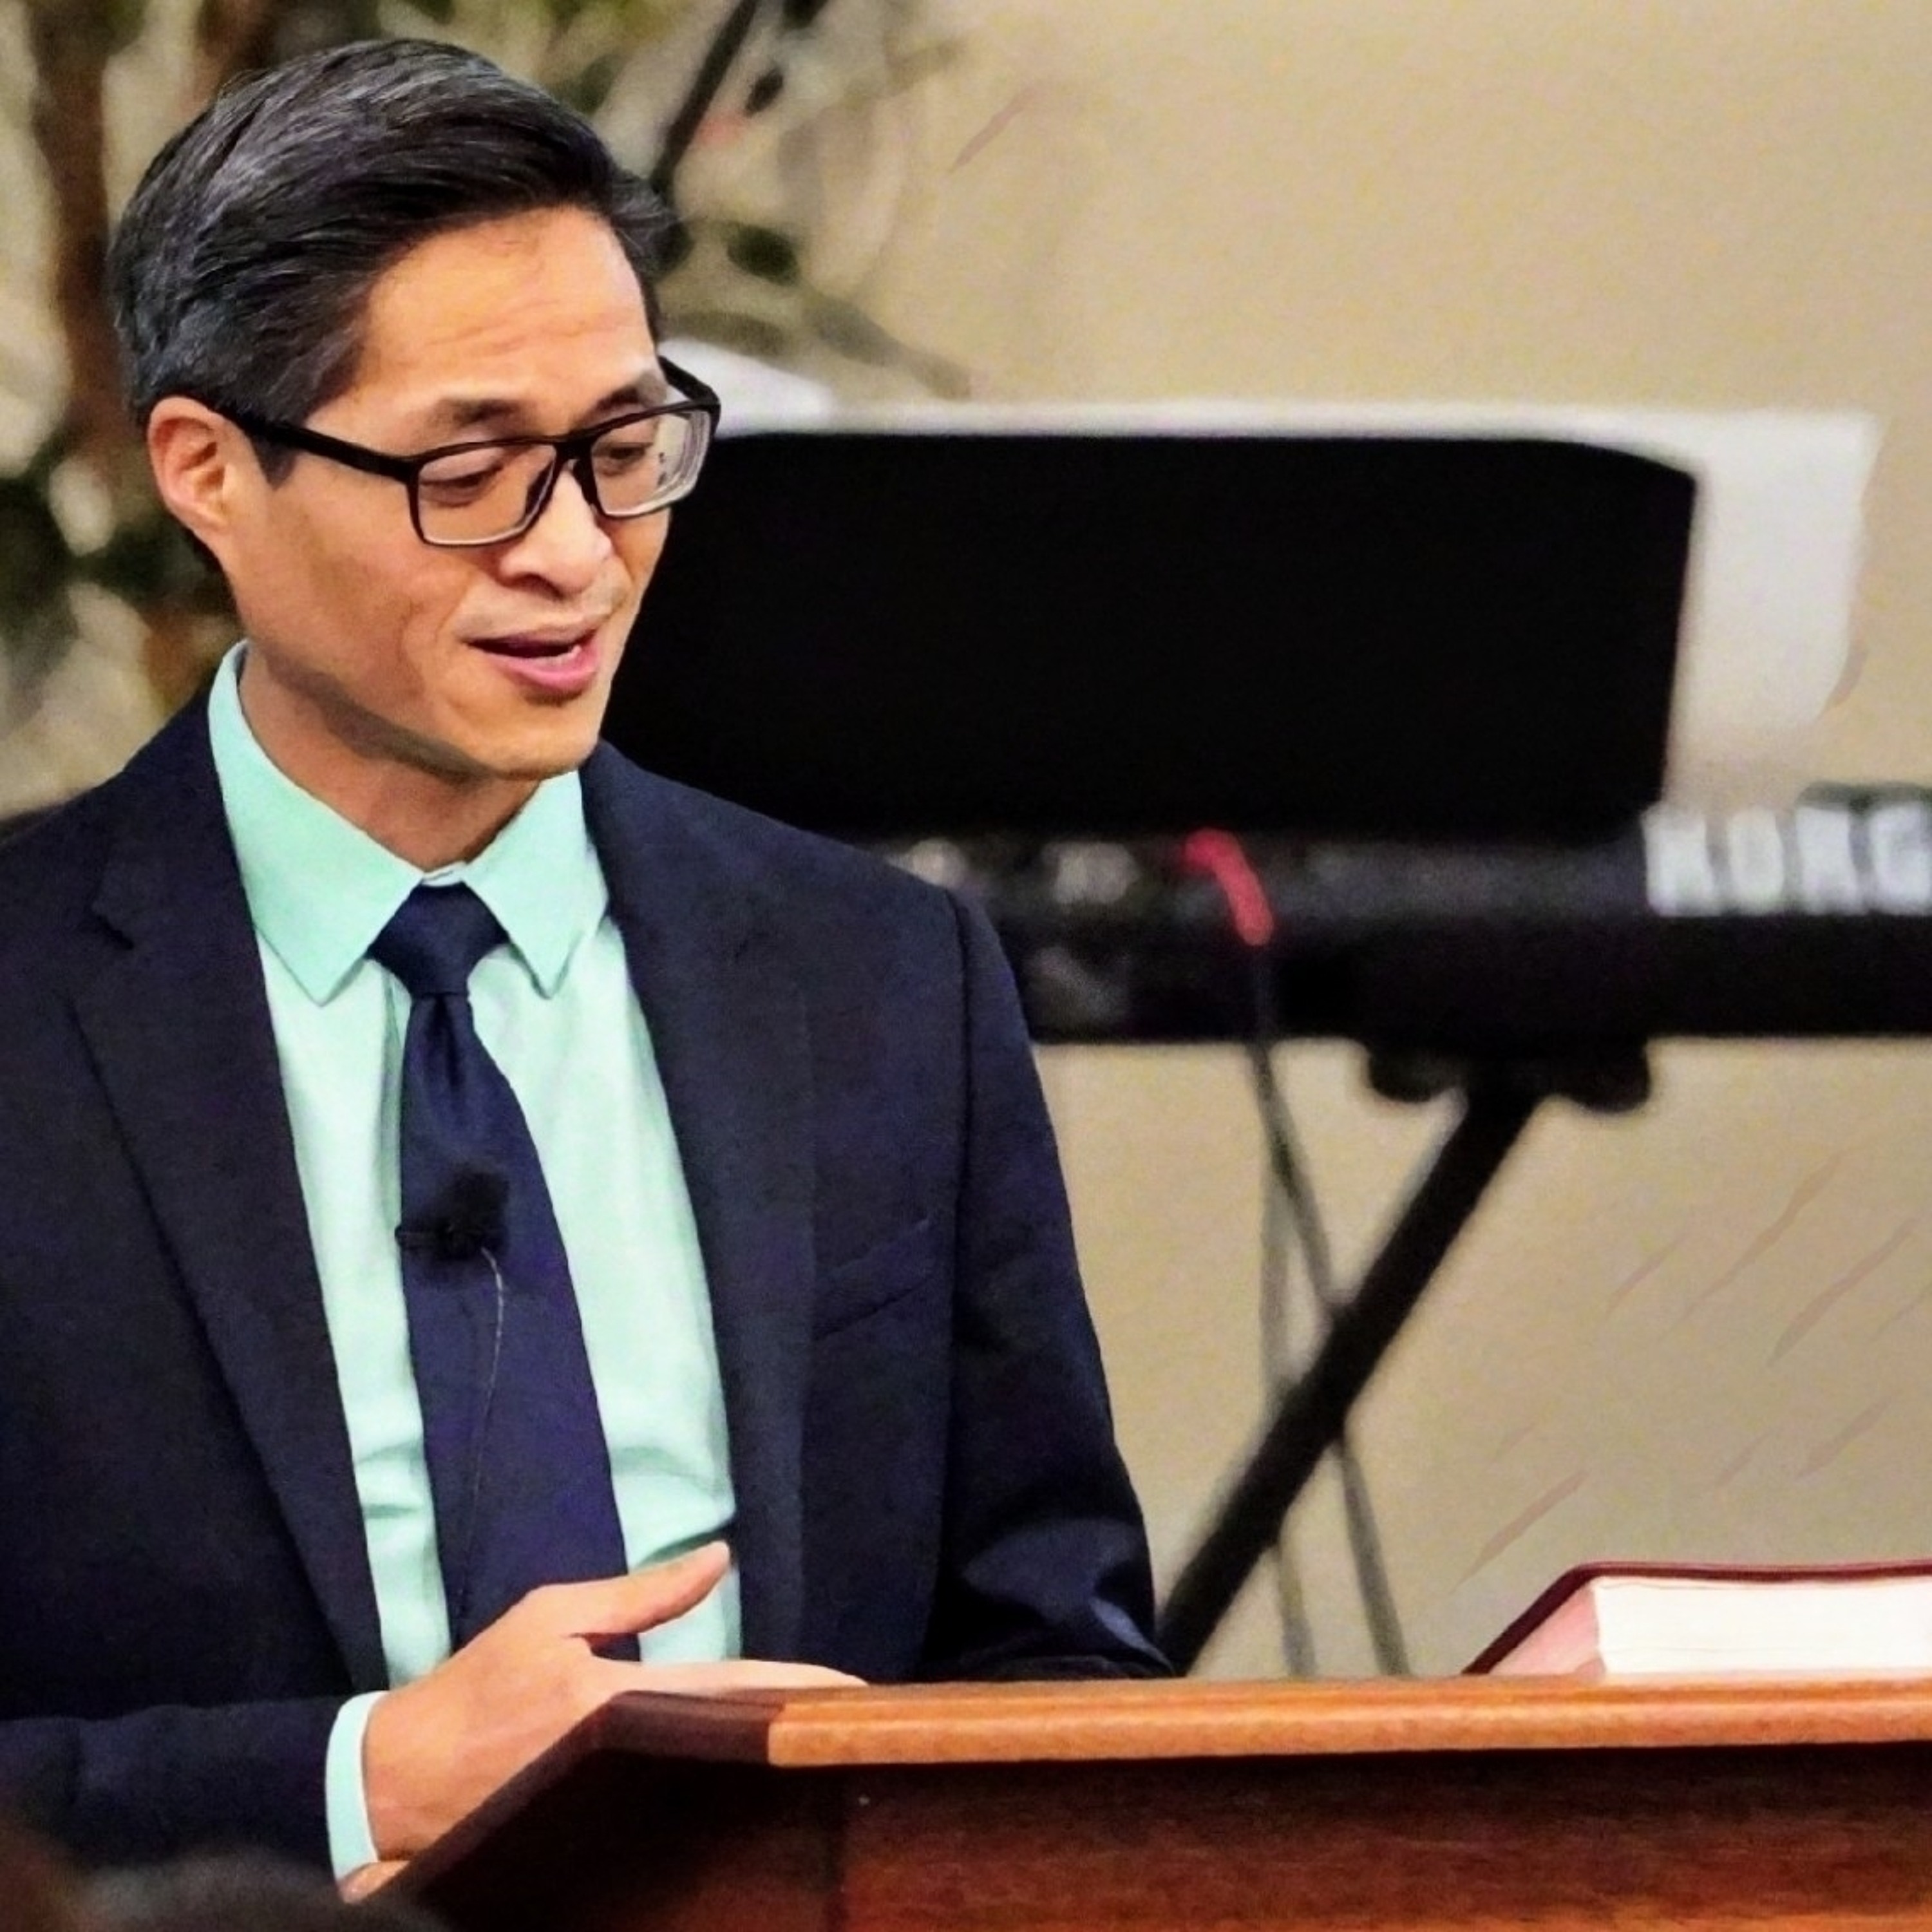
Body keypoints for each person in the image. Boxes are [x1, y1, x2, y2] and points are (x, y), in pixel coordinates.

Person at [0, 37, 1162, 1888]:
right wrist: (363, 1779)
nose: (577, 558)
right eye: (470, 471)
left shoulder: (884, 982)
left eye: (624, 454)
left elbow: (1059, 1664)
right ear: (209, 471)